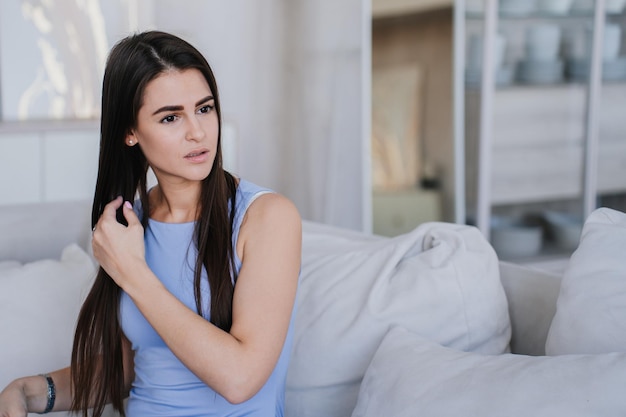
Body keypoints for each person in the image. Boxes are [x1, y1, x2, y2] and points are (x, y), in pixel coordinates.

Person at [0, 30, 301, 417]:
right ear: (130, 132)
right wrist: (32, 390)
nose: (197, 131)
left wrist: (134, 273)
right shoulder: (130, 225)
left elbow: (240, 379)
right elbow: (133, 367)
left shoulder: (266, 217)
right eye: (171, 117)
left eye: (205, 108)